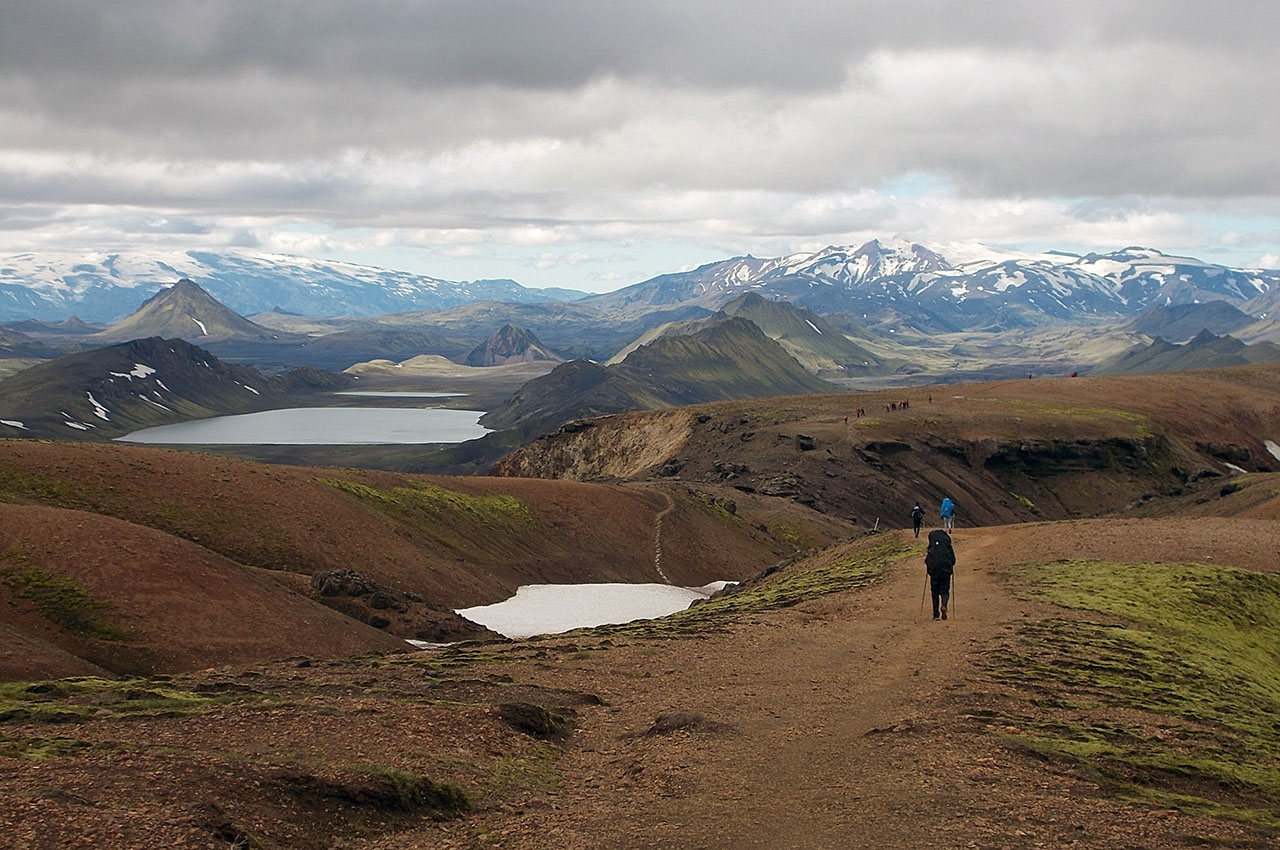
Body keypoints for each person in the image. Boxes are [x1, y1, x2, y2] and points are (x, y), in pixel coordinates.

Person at [925, 530, 956, 620]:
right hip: (945, 571)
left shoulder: (932, 547)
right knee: (945, 591)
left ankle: (936, 614)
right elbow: (953, 560)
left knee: (934, 592)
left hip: (934, 572)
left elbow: (927, 560)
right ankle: (944, 605)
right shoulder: (948, 547)